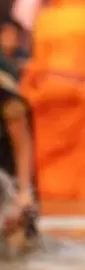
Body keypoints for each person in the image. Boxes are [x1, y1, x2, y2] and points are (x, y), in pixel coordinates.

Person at [20, 0, 85, 201]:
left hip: (52, 89)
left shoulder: (46, 19)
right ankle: (80, 194)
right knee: (83, 150)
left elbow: (39, 57)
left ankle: (52, 195)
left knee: (50, 148)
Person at [0, 66, 37, 255]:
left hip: (11, 180)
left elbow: (23, 147)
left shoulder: (7, 98)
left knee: (17, 251)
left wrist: (24, 192)